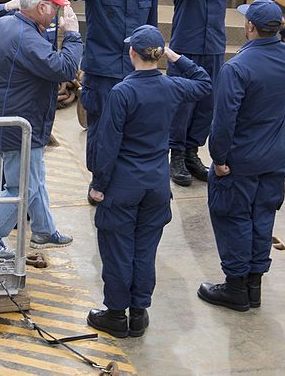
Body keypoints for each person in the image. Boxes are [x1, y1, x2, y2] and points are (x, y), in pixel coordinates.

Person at [198, 0, 285, 312]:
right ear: (276, 27)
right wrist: (284, 26)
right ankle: (254, 287)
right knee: (263, 217)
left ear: (250, 27)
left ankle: (236, 288)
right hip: (275, 157)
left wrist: (220, 158)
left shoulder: (237, 67)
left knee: (234, 217)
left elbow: (224, 119)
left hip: (241, 160)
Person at [86, 25, 211, 338]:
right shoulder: (172, 87)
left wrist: (99, 184)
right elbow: (204, 82)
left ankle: (116, 315)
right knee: (144, 250)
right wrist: (175, 56)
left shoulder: (123, 92)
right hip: (156, 185)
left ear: (132, 54)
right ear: (159, 55)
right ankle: (138, 314)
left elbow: (108, 143)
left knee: (117, 250)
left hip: (123, 185)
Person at [0, 0, 82, 261]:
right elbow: (65, 69)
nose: (56, 13)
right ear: (41, 8)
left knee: (34, 176)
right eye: (54, 7)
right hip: (21, 125)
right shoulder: (28, 38)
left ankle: (43, 229)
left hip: (7, 119)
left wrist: (5, 81)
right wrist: (73, 35)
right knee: (21, 187)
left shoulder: (0, 25)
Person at [167, 0, 265, 187]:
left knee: (207, 103)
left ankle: (192, 152)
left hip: (213, 43)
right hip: (187, 40)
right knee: (183, 101)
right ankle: (176, 154)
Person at [62, 0, 158, 204]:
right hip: (102, 71)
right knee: (100, 129)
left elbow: (150, 27)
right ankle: (99, 180)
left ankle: (125, 178)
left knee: (133, 128)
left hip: (134, 70)